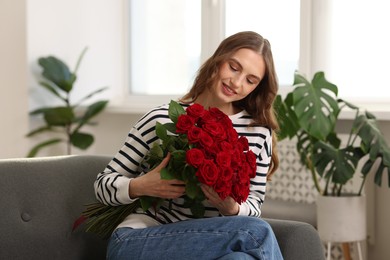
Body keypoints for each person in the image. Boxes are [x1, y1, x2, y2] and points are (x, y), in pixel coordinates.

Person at [95, 31, 283, 260]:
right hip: (137, 243)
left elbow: (254, 206)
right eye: (234, 67)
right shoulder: (163, 118)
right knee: (257, 233)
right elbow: (102, 185)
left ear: (257, 87)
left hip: (208, 248)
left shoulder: (258, 133)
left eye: (250, 80)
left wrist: (232, 208)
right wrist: (141, 186)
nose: (236, 82)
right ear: (218, 59)